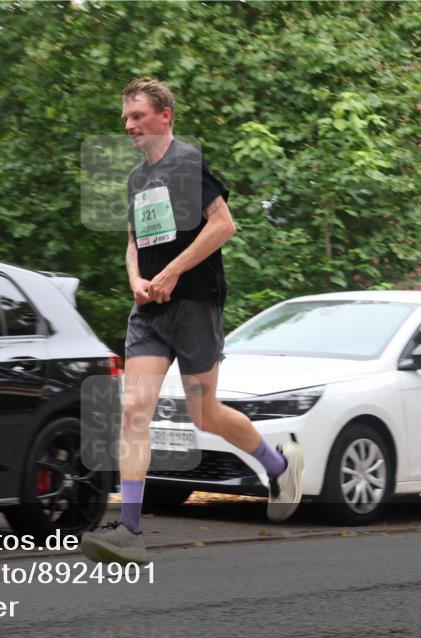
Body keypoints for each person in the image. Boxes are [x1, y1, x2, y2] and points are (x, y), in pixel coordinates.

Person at [80, 79, 304, 564]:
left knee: (204, 414)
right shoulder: (137, 179)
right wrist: (138, 279)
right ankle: (130, 530)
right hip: (150, 311)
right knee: (135, 410)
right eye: (125, 119)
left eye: (137, 116)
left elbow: (224, 225)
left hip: (196, 305)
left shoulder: (187, 164)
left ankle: (279, 465)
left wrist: (172, 273)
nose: (129, 126)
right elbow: (133, 242)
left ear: (165, 116)